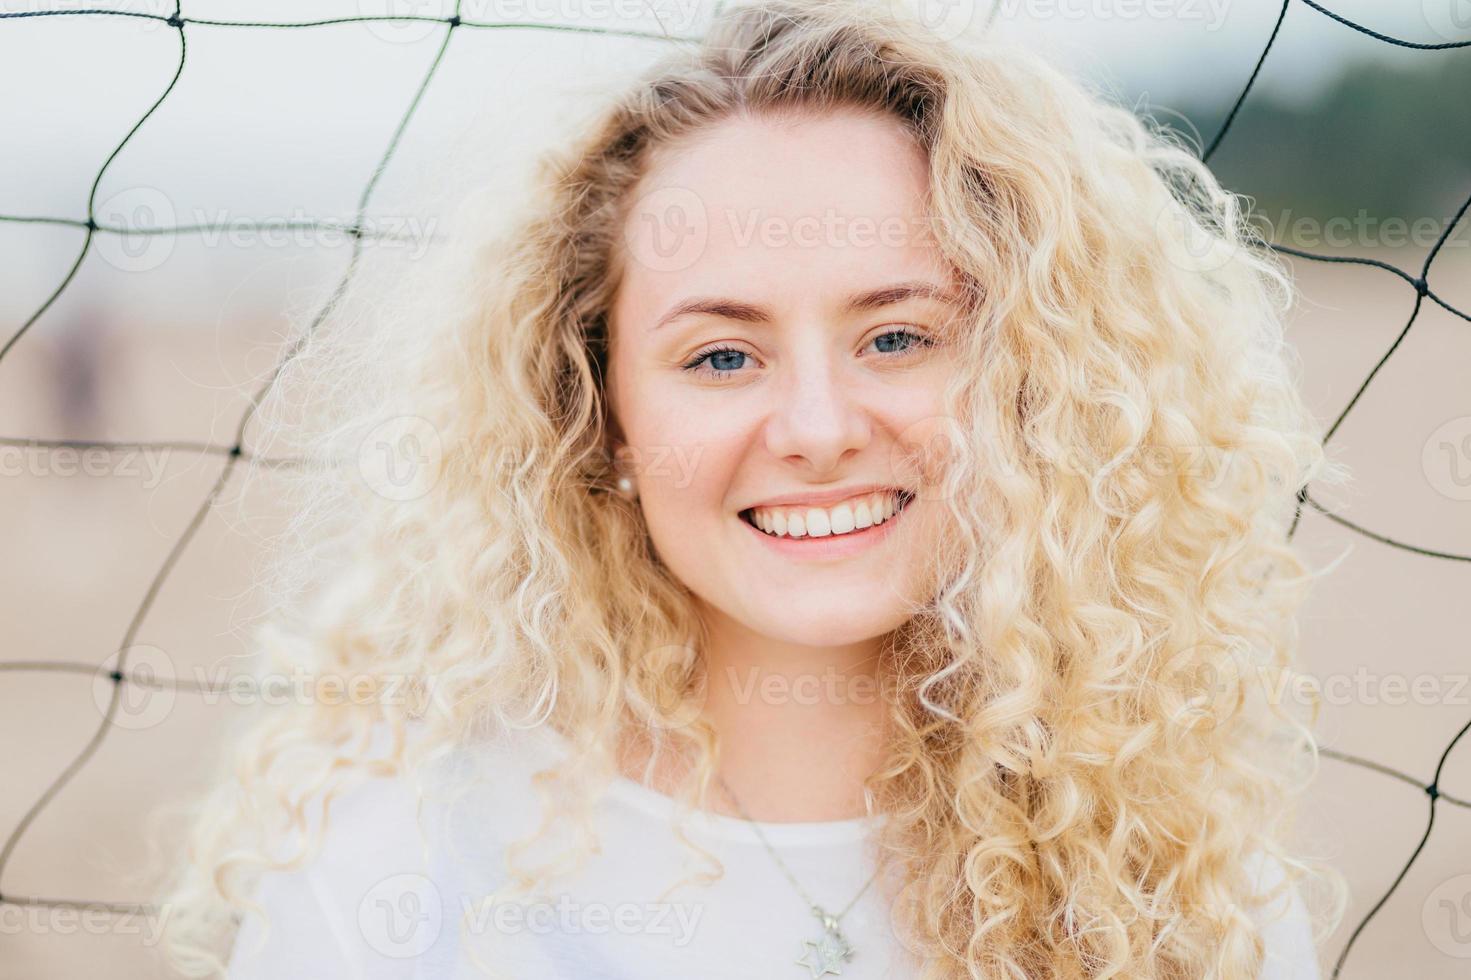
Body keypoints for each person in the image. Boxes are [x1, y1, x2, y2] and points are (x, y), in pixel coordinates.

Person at [157, 0, 1348, 976]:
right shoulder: (392, 875)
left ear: (1028, 383)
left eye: (898, 337)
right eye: (721, 356)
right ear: (594, 408)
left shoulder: (1169, 877)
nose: (818, 429)